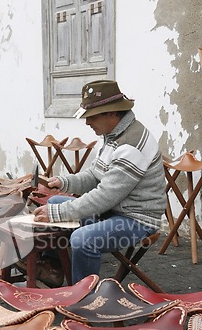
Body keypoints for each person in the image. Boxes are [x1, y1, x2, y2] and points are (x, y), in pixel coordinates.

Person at [33, 80, 167, 284]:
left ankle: (84, 298)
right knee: (54, 203)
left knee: (83, 239)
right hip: (113, 211)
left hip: (136, 220)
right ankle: (55, 268)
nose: (87, 123)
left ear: (112, 113)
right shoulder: (114, 134)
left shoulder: (131, 144)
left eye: (92, 117)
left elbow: (105, 196)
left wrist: (59, 213)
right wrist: (62, 182)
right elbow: (96, 176)